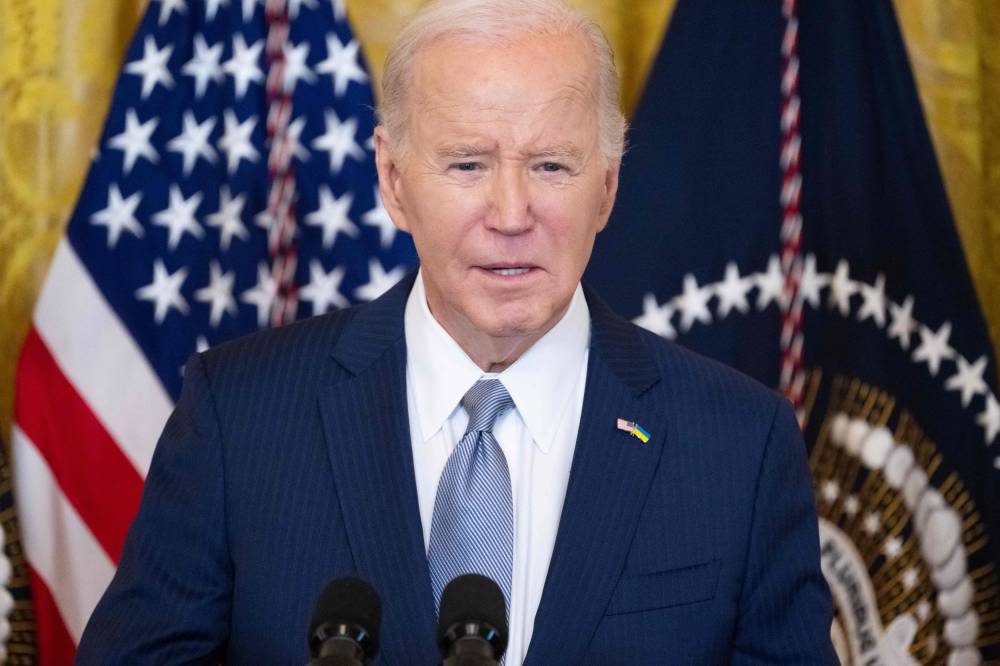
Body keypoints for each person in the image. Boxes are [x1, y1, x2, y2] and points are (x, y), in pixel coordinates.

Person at [77, 0, 836, 662]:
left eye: (551, 166)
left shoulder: (741, 444)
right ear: (393, 179)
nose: (511, 214)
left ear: (607, 187)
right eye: (468, 165)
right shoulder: (238, 415)